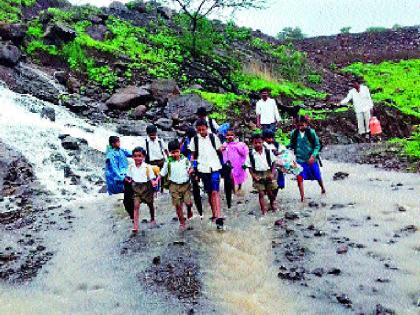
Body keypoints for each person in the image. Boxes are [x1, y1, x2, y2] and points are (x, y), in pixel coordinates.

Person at [189, 119, 224, 227]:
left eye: (203, 129)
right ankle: (214, 214)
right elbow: (193, 155)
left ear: (207, 128)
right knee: (209, 192)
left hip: (215, 167)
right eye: (199, 130)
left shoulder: (213, 137)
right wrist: (192, 168)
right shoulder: (194, 140)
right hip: (202, 169)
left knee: (215, 191)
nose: (201, 131)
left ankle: (218, 216)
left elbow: (220, 150)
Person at [289, 116, 326, 202]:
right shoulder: (294, 134)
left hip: (311, 159)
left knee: (317, 175)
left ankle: (322, 188)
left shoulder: (311, 132)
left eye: (302, 125)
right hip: (299, 159)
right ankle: (302, 197)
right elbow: (291, 145)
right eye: (298, 126)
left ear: (306, 124)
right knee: (299, 177)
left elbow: (317, 145)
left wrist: (313, 155)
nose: (300, 127)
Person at [160, 140, 194, 231]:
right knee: (178, 205)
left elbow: (190, 168)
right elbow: (162, 173)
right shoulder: (168, 162)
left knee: (188, 202)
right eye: (172, 152)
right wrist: (156, 181)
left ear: (180, 150)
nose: (175, 154)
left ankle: (189, 209)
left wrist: (190, 171)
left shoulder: (185, 159)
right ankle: (182, 222)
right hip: (173, 185)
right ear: (170, 152)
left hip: (185, 184)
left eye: (177, 152)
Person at [125, 147, 159, 233]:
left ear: (143, 157)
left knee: (150, 204)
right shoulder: (131, 167)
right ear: (132, 157)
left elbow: (151, 177)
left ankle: (152, 218)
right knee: (136, 206)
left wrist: (154, 183)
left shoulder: (147, 167)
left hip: (147, 188)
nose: (137, 158)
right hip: (136, 188)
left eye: (140, 156)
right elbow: (129, 177)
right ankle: (135, 226)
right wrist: (127, 180)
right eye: (135, 156)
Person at [245, 133, 278, 215]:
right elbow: (249, 167)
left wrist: (272, 173)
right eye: (255, 143)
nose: (257, 144)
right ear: (252, 143)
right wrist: (254, 176)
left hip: (268, 172)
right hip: (257, 174)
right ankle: (264, 211)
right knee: (261, 192)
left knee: (270, 192)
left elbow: (274, 162)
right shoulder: (250, 154)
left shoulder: (267, 152)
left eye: (259, 142)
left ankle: (272, 203)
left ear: (263, 142)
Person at [105, 136, 134, 219]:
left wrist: (138, 154)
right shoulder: (111, 154)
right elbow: (114, 168)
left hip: (125, 173)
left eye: (119, 142)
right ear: (113, 144)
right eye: (117, 142)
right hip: (117, 177)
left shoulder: (121, 150)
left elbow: (130, 153)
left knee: (129, 194)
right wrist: (121, 178)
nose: (119, 143)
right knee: (128, 194)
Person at [141, 125, 168, 192]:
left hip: (161, 160)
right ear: (148, 134)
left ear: (156, 133)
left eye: (154, 135)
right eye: (151, 135)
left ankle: (162, 189)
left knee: (162, 176)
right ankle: (154, 190)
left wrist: (168, 158)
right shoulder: (145, 142)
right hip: (151, 162)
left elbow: (165, 149)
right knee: (152, 176)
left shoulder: (159, 140)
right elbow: (143, 153)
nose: (153, 137)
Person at [221, 129, 249, 194]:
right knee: (231, 176)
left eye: (231, 135)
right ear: (225, 136)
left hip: (238, 163)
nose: (230, 136)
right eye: (228, 135)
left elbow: (245, 152)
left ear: (235, 136)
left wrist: (238, 147)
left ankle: (239, 187)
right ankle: (233, 189)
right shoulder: (225, 144)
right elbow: (223, 153)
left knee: (239, 175)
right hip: (230, 164)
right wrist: (222, 149)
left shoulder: (240, 144)